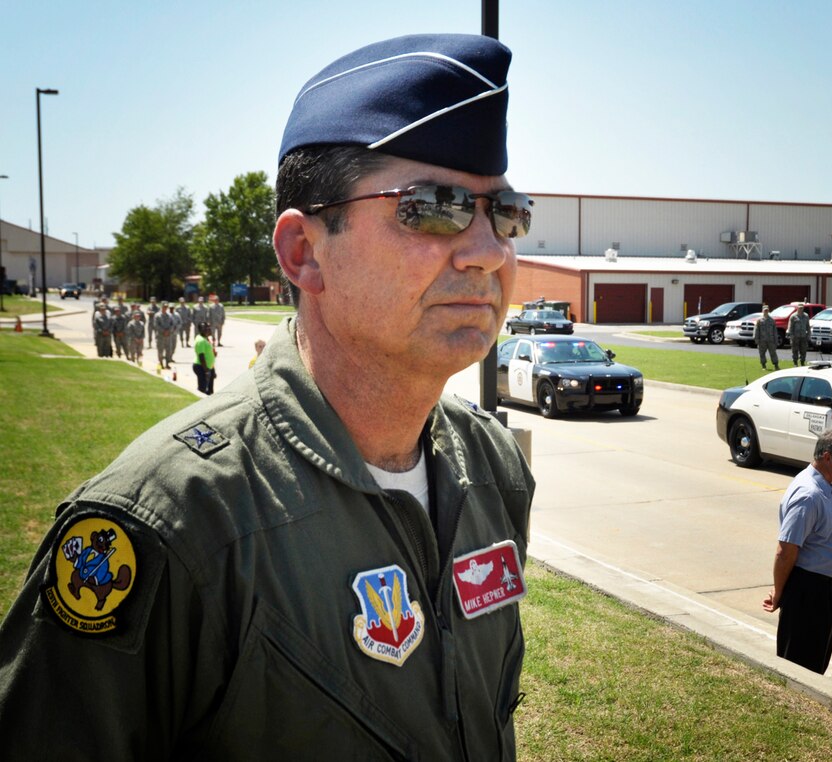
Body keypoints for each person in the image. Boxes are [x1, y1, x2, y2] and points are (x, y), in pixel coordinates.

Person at [0, 33, 534, 760]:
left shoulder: (494, 469)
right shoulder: (172, 522)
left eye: (505, 212)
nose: (487, 251)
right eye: (434, 207)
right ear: (303, 252)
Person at [763, 427, 832, 673]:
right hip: (809, 595)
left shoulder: (823, 488)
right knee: (800, 669)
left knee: (815, 664)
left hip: (823, 593)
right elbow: (786, 550)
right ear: (828, 457)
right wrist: (779, 593)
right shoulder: (809, 495)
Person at [192, 320, 216, 394]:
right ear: (201, 330)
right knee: (202, 389)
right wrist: (206, 371)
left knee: (210, 390)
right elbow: (201, 356)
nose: (208, 329)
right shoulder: (201, 341)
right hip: (201, 367)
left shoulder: (206, 339)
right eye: (205, 328)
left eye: (208, 327)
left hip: (208, 367)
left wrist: (212, 370)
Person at [755, 304, 779, 370]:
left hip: (771, 340)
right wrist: (756, 339)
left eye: (767, 310)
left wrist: (776, 340)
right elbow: (757, 330)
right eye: (765, 310)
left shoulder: (772, 320)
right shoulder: (759, 320)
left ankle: (776, 365)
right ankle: (764, 366)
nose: (766, 312)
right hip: (762, 340)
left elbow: (775, 331)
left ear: (768, 311)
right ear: (763, 311)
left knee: (773, 353)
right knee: (762, 353)